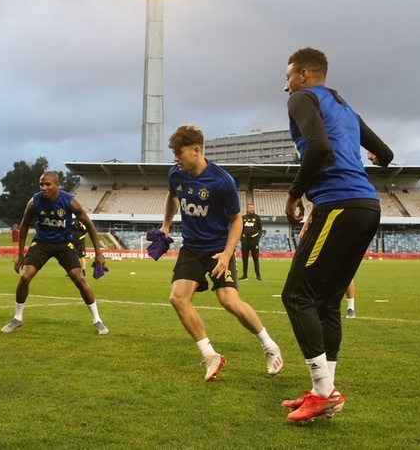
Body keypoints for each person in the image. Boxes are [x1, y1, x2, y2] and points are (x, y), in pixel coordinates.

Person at [280, 47, 393, 424]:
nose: (286, 87)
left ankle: (324, 393)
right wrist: (374, 161)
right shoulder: (345, 107)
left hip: (339, 204)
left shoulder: (302, 98)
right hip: (367, 207)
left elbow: (319, 147)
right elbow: (386, 153)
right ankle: (324, 390)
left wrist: (296, 193)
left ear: (305, 74)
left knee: (296, 295)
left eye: (289, 76)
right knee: (327, 301)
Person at [156, 125, 283, 382]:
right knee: (178, 298)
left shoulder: (222, 181)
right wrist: (166, 226)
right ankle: (209, 354)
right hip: (191, 247)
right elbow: (172, 197)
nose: (175, 159)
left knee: (229, 301)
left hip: (217, 249)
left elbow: (236, 220)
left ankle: (270, 346)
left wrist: (227, 254)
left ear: (196, 150)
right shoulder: (176, 174)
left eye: (178, 153)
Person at [1, 171, 109, 335]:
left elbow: (90, 225)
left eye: (48, 184)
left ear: (57, 186)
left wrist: (98, 253)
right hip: (42, 244)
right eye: (41, 184)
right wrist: (20, 254)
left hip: (64, 245)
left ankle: (98, 320)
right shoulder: (34, 202)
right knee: (25, 277)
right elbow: (23, 226)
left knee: (79, 278)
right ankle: (17, 317)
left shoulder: (69, 202)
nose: (44, 188)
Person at [239, 203, 263, 281]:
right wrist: (242, 238)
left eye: (252, 208)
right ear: (247, 209)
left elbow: (260, 229)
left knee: (255, 258)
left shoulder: (257, 218)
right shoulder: (243, 218)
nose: (251, 209)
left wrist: (257, 239)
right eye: (249, 208)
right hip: (245, 241)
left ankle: (258, 275)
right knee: (244, 258)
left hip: (254, 241)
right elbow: (240, 229)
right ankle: (245, 275)